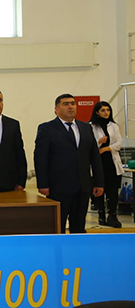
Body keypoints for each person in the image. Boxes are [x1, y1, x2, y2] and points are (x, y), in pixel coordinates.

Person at [34, 93, 104, 233]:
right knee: (57, 225)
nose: (70, 107)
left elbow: (94, 157)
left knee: (79, 226)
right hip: (58, 187)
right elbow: (40, 158)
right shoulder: (47, 128)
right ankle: (58, 247)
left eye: (73, 103)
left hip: (83, 186)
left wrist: (99, 182)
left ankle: (77, 247)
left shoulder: (85, 127)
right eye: (65, 104)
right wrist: (42, 184)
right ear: (56, 109)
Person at [89, 101, 123, 228]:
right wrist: (99, 141)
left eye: (108, 110)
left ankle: (112, 215)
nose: (106, 112)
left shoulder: (113, 126)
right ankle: (101, 215)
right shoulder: (90, 126)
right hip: (98, 163)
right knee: (99, 190)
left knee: (113, 191)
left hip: (112, 163)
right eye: (103, 110)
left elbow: (118, 144)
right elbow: (89, 145)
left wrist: (105, 148)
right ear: (97, 112)